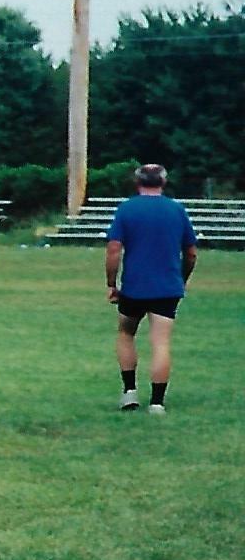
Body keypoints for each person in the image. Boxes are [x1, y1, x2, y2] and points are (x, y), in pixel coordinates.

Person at [105, 163, 198, 414]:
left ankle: (129, 392)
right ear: (163, 182)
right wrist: (181, 278)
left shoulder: (127, 209)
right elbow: (190, 253)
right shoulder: (176, 210)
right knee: (160, 342)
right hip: (167, 286)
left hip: (134, 286)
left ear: (137, 182)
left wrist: (112, 284)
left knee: (126, 333)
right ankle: (157, 402)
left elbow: (114, 249)